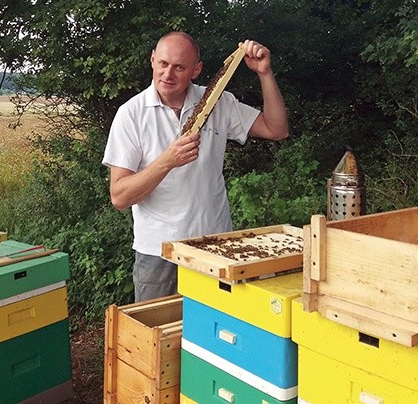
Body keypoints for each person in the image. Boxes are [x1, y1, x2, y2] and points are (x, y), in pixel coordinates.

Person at [102, 31, 289, 302]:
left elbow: (277, 129)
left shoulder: (219, 102)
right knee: (157, 337)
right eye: (163, 64)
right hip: (159, 252)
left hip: (215, 246)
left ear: (196, 70)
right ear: (152, 60)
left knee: (209, 339)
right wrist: (167, 161)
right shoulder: (131, 114)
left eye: (179, 67)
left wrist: (264, 73)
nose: (168, 73)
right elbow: (120, 197)